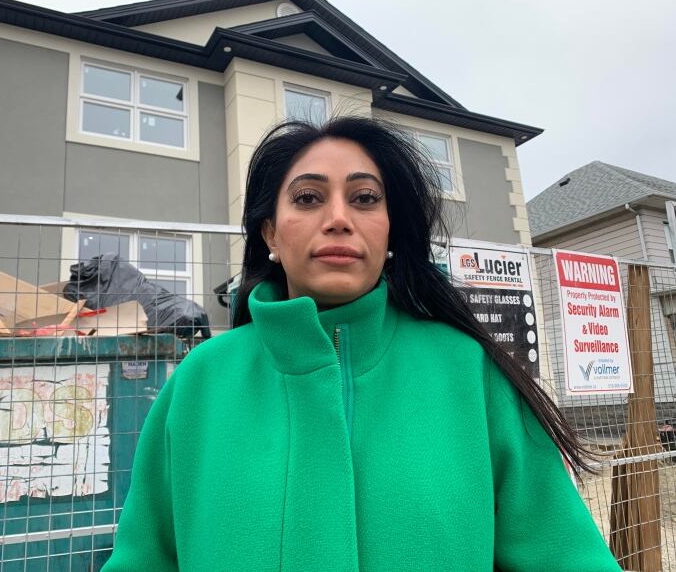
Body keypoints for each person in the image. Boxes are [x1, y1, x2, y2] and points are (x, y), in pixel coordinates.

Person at [101, 116, 621, 571]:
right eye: (308, 198)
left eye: (365, 198)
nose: (339, 218)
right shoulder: (199, 382)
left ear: (390, 231)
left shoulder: (470, 373)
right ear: (271, 236)